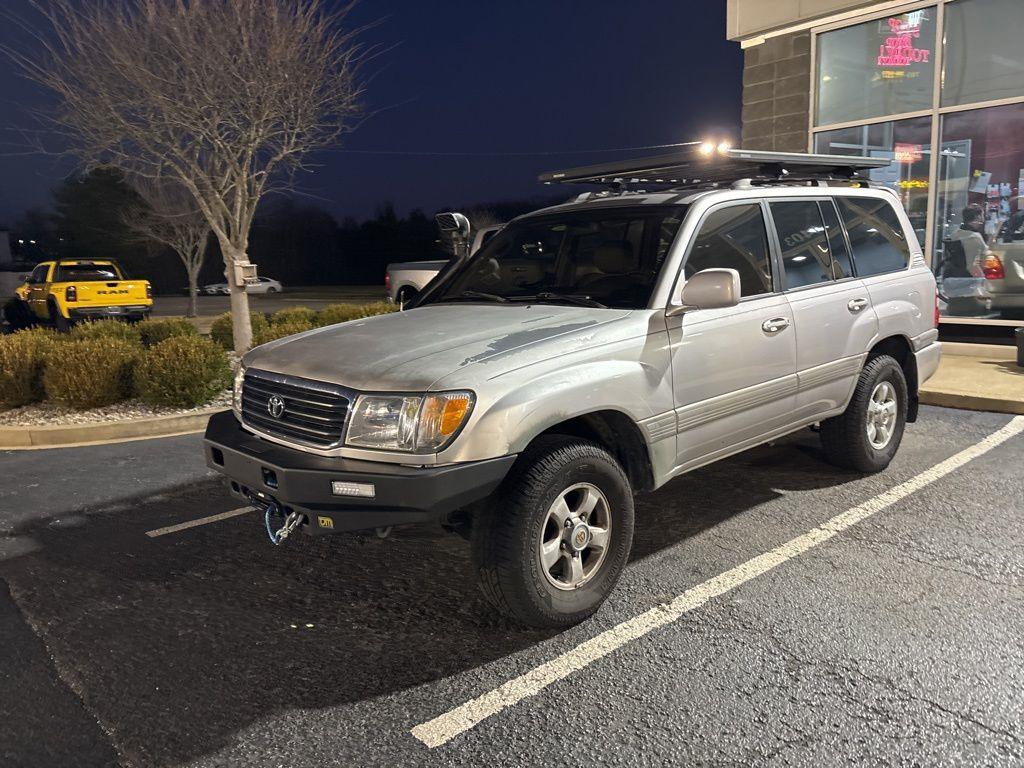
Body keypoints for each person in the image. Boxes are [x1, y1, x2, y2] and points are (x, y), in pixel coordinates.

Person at [948, 205, 990, 277]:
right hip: (968, 280)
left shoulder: (954, 234)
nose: (983, 218)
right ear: (978, 217)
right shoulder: (974, 237)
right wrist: (983, 281)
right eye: (983, 215)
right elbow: (972, 266)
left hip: (952, 277)